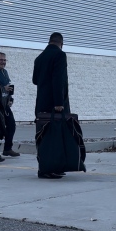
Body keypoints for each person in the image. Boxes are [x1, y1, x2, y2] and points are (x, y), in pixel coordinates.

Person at [32, 32, 69, 179]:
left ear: (49, 42)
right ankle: (49, 169)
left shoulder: (39, 58)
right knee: (56, 137)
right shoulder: (60, 55)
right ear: (61, 43)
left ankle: (47, 167)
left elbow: (35, 80)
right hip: (55, 105)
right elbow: (58, 79)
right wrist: (59, 102)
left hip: (41, 103)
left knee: (43, 136)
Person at [0, 52, 20, 158]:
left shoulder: (5, 72)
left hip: (4, 104)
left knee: (11, 125)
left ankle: (7, 149)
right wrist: (2, 88)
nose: (3, 62)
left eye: (5, 60)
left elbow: (8, 87)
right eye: (1, 60)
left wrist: (10, 98)